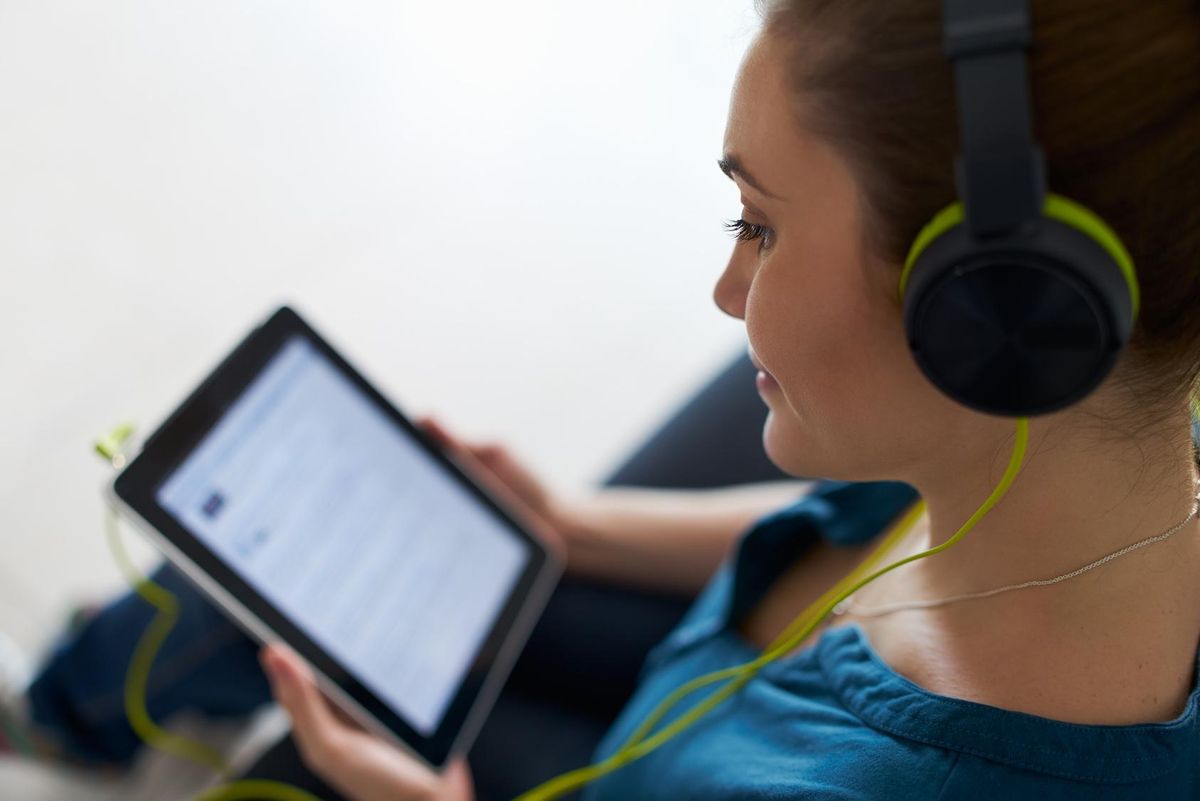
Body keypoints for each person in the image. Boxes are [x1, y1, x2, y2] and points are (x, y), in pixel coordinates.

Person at [8, 0, 1200, 798]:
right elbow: (877, 531)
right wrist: (574, 521)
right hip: (739, 649)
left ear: (989, 308)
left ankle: (68, 722)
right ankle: (67, 703)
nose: (727, 288)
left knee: (306, 718)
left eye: (761, 223)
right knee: (371, 535)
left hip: (666, 750)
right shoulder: (1113, 460)